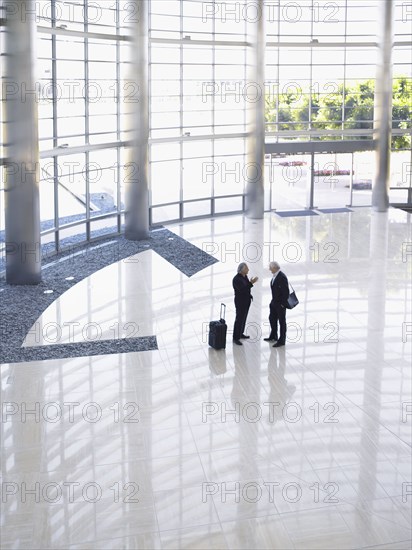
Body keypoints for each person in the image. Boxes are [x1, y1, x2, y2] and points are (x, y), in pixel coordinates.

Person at [264, 261, 289, 347]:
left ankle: (282, 340)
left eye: (270, 267)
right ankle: (273, 336)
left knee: (282, 322)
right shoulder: (275, 276)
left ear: (274, 267)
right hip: (274, 303)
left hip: (280, 304)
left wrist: (283, 304)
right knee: (272, 319)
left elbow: (286, 292)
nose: (269, 269)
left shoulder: (282, 277)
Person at [232, 262, 258, 346]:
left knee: (244, 317)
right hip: (240, 302)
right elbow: (243, 289)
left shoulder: (245, 276)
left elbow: (247, 287)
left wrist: (250, 283)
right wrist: (251, 283)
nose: (248, 270)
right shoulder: (236, 279)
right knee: (239, 319)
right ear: (242, 270)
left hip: (246, 300)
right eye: (246, 268)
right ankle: (236, 337)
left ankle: (241, 333)